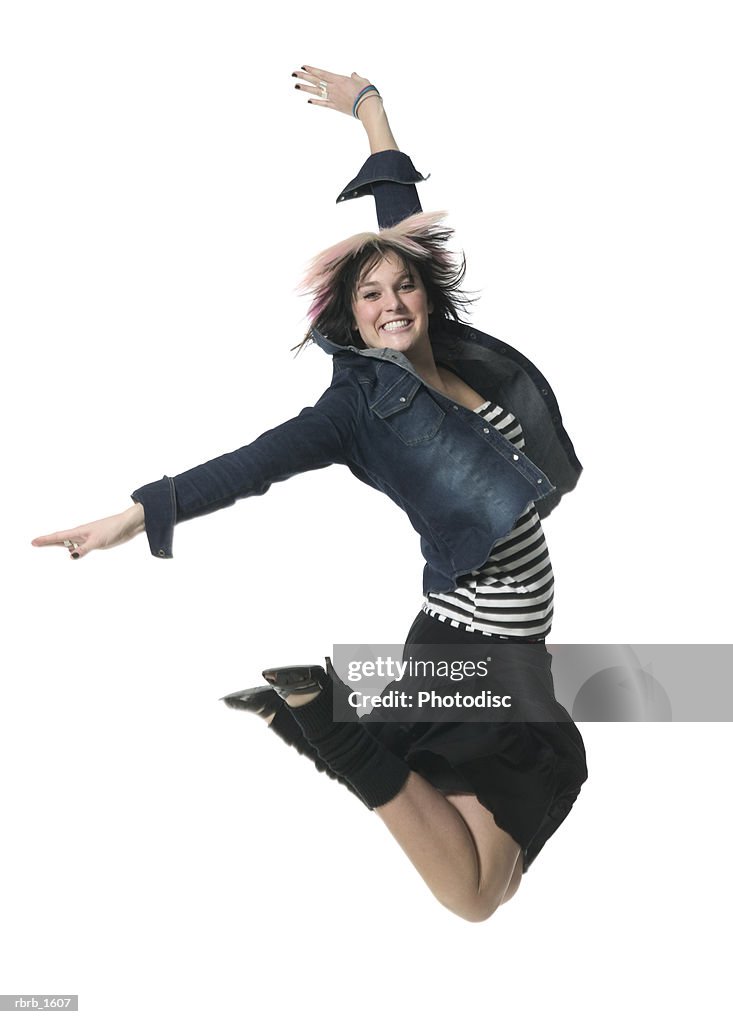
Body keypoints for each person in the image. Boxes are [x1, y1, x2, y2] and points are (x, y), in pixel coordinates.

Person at [32, 66, 588, 923]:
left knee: (492, 879)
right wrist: (130, 516)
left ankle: (328, 729)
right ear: (351, 319)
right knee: (477, 892)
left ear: (424, 293)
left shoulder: (453, 358)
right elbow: (248, 464)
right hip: (483, 647)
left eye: (402, 285)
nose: (392, 300)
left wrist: (369, 108)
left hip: (464, 642)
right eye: (370, 296)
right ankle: (330, 728)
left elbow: (399, 214)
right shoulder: (354, 409)